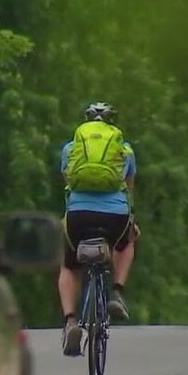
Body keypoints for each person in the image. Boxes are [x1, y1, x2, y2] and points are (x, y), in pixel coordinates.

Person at [57, 101, 139, 356]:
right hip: (115, 215)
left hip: (78, 215)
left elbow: (67, 183)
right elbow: (128, 189)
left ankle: (71, 320)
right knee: (126, 241)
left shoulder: (70, 149)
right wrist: (131, 220)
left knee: (70, 265)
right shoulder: (125, 151)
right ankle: (116, 291)